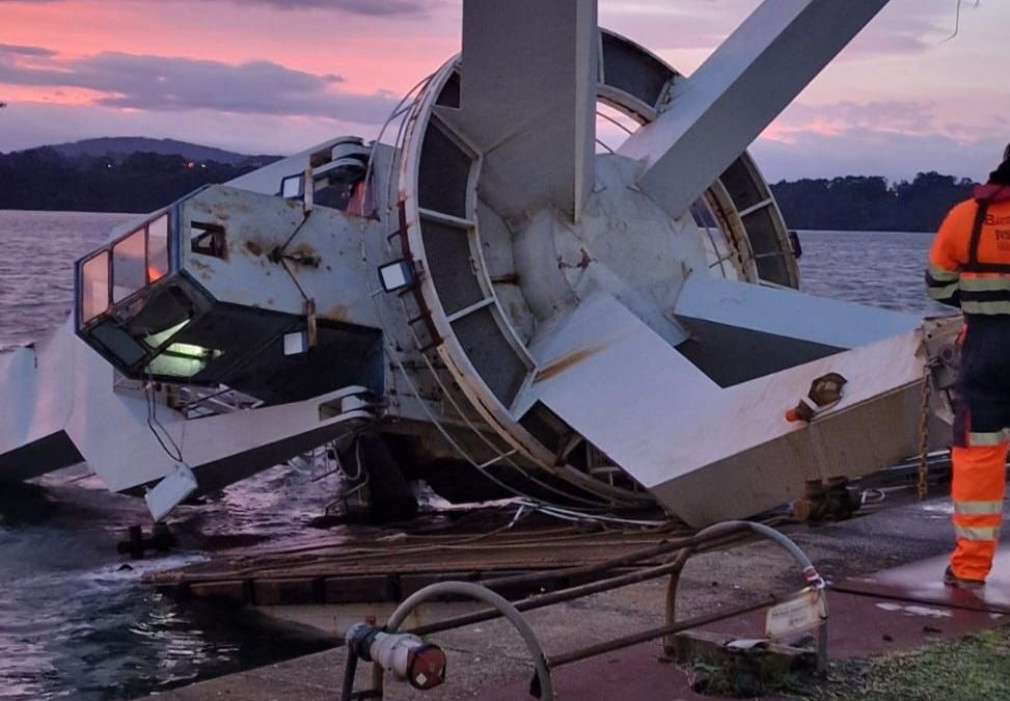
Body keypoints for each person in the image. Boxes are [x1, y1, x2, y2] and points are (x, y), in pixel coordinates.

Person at [927, 143, 1010, 588]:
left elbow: (937, 286)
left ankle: (970, 568)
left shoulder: (966, 216)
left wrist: (980, 304)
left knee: (979, 456)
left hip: (986, 350)